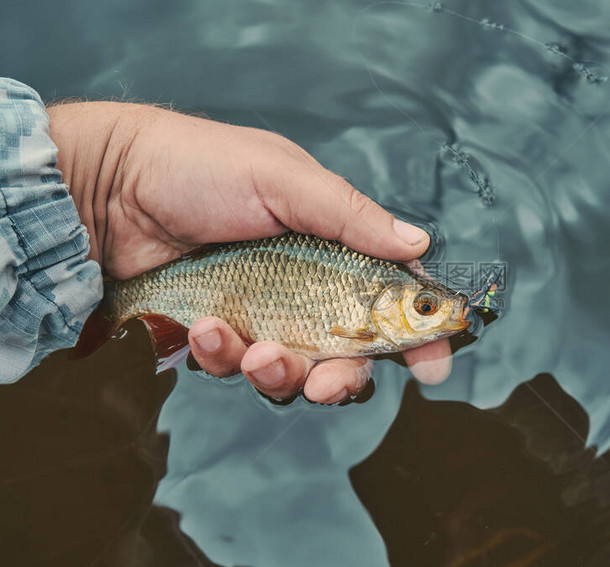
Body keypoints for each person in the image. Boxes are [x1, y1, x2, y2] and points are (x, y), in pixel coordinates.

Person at [0, 77, 453, 402]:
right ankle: (121, 303)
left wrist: (108, 168)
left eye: (426, 307)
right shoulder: (364, 325)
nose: (434, 312)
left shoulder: (372, 299)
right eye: (425, 307)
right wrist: (108, 169)